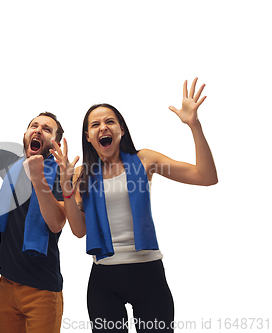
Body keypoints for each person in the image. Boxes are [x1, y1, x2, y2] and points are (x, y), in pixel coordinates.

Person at [51, 78, 218, 332]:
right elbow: (78, 230)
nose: (102, 127)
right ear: (88, 136)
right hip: (104, 278)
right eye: (95, 125)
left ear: (121, 130)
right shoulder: (81, 174)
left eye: (110, 122)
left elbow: (206, 177)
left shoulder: (145, 160)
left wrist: (194, 125)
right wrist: (66, 186)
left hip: (148, 273)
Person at [0, 74, 66, 333]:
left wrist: (39, 179)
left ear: (55, 144)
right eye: (34, 125)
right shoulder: (11, 163)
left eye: (47, 129)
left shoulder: (64, 174)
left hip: (42, 289)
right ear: (25, 134)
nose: (38, 130)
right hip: (7, 283)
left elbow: (56, 224)